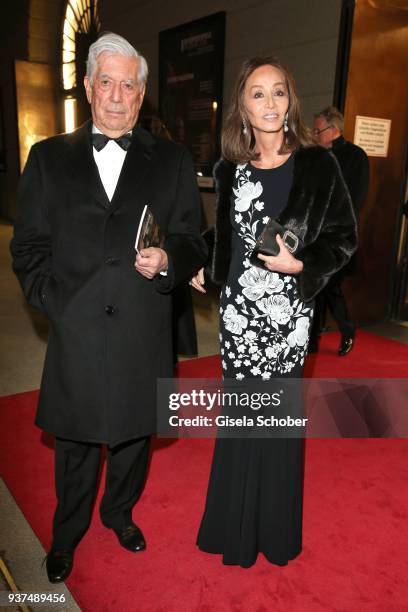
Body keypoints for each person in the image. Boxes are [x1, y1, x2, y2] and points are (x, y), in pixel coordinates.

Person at [10, 32, 207, 583]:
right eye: (107, 82)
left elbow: (194, 236)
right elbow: (27, 248)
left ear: (141, 94)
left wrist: (170, 257)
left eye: (129, 85)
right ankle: (66, 533)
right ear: (90, 87)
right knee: (74, 439)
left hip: (143, 325)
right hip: (76, 327)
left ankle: (119, 514)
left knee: (133, 434)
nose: (117, 96)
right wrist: (56, 302)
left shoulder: (171, 159)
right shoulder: (49, 159)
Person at [191, 57, 357, 568]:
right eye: (258, 94)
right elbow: (227, 240)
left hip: (287, 318)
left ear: (291, 102)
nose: (269, 103)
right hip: (239, 318)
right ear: (242, 105)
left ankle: (275, 534)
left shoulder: (315, 164)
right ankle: (233, 531)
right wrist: (204, 268)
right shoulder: (229, 170)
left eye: (278, 92)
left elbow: (344, 239)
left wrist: (301, 265)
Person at [311, 106, 369, 355]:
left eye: (317, 130)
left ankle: (345, 329)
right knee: (317, 285)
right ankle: (312, 341)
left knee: (329, 285)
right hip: (315, 234)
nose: (314, 135)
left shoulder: (356, 157)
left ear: (333, 130)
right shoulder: (316, 157)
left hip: (339, 236)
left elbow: (355, 199)